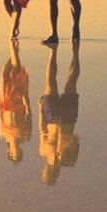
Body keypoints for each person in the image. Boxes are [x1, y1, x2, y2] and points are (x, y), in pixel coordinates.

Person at [38, 41, 81, 185]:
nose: (45, 171)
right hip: (68, 119)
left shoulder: (43, 151)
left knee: (50, 81)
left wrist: (41, 110)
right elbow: (77, 143)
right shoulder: (69, 160)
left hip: (51, 116)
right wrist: (68, 146)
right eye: (46, 174)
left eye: (44, 173)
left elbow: (42, 130)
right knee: (71, 82)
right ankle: (76, 52)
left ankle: (53, 51)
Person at [0, 41, 32, 163]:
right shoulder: (25, 136)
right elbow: (29, 117)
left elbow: (0, 116)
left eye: (15, 154)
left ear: (10, 151)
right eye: (18, 153)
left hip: (5, 102)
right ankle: (13, 47)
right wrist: (27, 103)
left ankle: (13, 50)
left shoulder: (3, 134)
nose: (17, 151)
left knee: (4, 73)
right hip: (17, 101)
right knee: (16, 71)